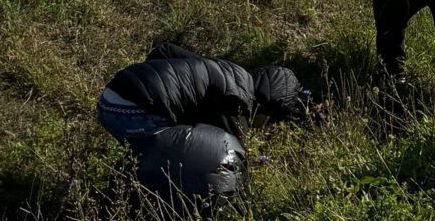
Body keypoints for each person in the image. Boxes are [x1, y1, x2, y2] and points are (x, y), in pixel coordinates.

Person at [96, 43, 313, 209]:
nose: (264, 127)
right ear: (268, 105)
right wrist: (246, 203)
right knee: (167, 168)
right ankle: (117, 206)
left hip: (110, 98)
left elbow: (164, 50)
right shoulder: (238, 100)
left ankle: (114, 195)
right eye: (270, 121)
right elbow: (230, 159)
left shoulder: (227, 71)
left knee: (147, 157)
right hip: (133, 110)